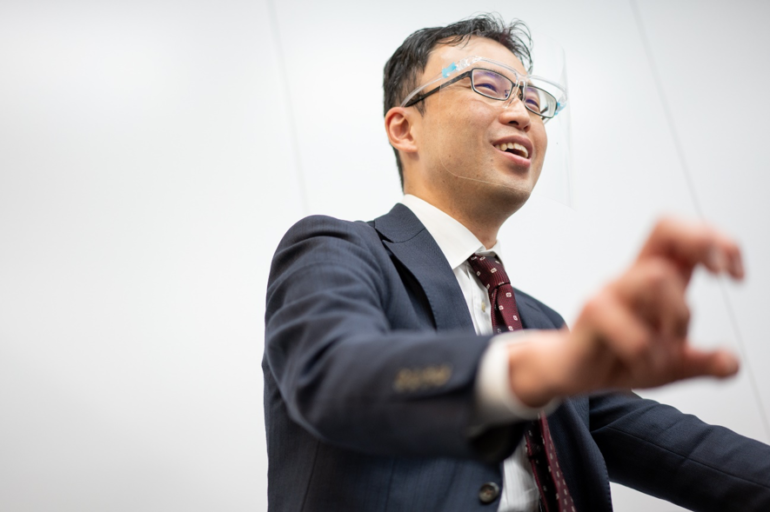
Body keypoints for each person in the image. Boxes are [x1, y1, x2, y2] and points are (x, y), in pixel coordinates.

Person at [262, 14, 770, 512]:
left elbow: (689, 454)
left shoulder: (546, 326)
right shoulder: (335, 249)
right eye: (488, 85)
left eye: (532, 100)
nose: (522, 114)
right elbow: (332, 376)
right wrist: (528, 369)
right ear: (405, 128)